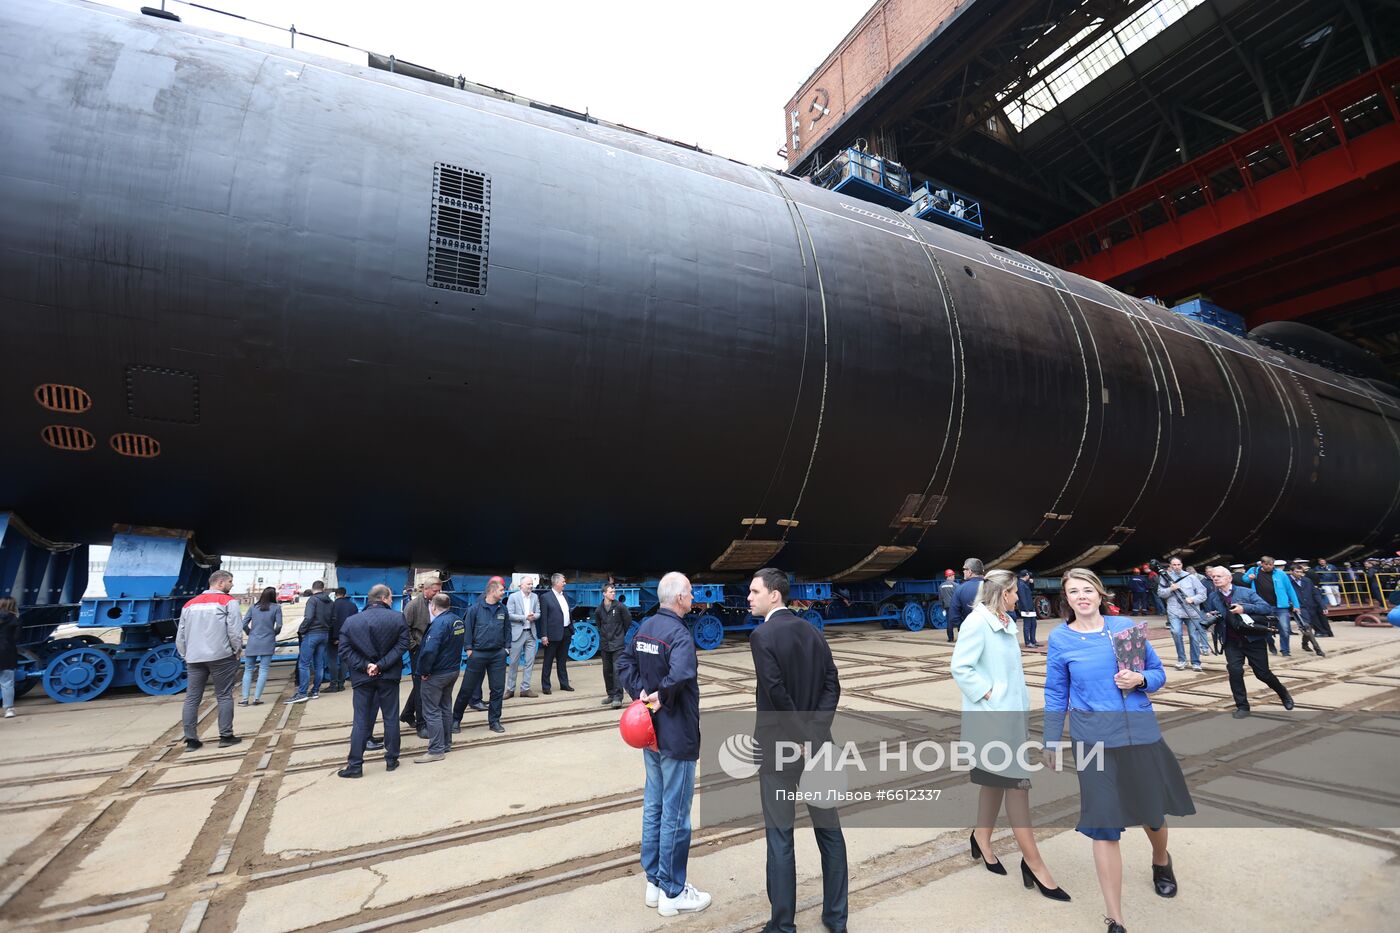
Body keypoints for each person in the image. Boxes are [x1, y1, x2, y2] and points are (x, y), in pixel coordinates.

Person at [1044, 568, 1194, 933]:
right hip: (1092, 740)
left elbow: (1158, 674)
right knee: (1103, 824)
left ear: (1099, 594)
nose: (1081, 596)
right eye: (1074, 592)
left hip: (1138, 735)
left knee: (1152, 814)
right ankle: (1116, 918)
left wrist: (1140, 679)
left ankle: (1160, 860)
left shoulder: (1125, 627)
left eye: (1087, 590)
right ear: (1067, 599)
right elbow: (1055, 692)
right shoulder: (1060, 640)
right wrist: (1050, 738)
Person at [951, 570, 1067, 901]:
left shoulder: (1003, 621)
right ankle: (1034, 864)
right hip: (992, 720)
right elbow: (961, 667)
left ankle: (981, 839)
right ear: (1003, 594)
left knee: (994, 783)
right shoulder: (978, 623)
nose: (1019, 597)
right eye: (1015, 592)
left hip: (1008, 718)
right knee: (1017, 786)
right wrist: (990, 694)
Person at [747, 568, 848, 933]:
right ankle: (836, 920)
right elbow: (832, 686)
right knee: (830, 833)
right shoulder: (813, 632)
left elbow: (775, 694)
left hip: (780, 751)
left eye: (755, 591)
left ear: (775, 595)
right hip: (819, 748)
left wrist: (801, 738)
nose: (749, 597)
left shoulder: (761, 636)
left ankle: (783, 925)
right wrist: (815, 734)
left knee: (780, 835)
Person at [616, 572, 710, 917]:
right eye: (690, 593)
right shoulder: (680, 635)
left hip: (649, 736)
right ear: (681, 597)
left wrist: (639, 691)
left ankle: (654, 883)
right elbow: (683, 674)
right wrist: (658, 698)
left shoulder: (644, 628)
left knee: (654, 806)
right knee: (676, 813)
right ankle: (673, 892)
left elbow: (624, 662)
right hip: (676, 735)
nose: (692, 597)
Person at [337, 584, 409, 777]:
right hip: (389, 677)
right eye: (391, 598)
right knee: (390, 717)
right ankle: (391, 759)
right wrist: (382, 665)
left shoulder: (352, 622)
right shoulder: (397, 618)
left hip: (362, 678)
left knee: (360, 720)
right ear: (385, 598)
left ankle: (355, 766)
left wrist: (366, 666)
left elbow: (344, 650)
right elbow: (403, 645)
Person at [1205, 566, 1294, 718]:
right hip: (1231, 641)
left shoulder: (1246, 592)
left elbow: (1265, 608)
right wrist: (1211, 617)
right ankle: (1242, 706)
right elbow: (1215, 614)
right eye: (1213, 576)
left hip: (1253, 639)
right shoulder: (1213, 597)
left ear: (1229, 578)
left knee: (1262, 674)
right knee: (1235, 672)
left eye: (1219, 576)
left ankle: (1283, 692)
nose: (1215, 579)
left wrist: (1244, 608)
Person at [176, 569, 245, 750]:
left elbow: (181, 634)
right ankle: (226, 736)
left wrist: (185, 654)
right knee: (223, 695)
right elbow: (235, 631)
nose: (232, 585)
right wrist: (236, 650)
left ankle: (191, 740)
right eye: (230, 581)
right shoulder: (228, 602)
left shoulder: (189, 604)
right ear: (220, 583)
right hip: (221, 656)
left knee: (192, 698)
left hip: (194, 657)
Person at [453, 578, 510, 734]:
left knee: (497, 689)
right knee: (467, 689)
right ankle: (455, 720)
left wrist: (506, 648)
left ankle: (494, 721)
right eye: (501, 590)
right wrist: (469, 649)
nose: (503, 592)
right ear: (492, 591)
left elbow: (507, 630)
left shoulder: (502, 609)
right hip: (478, 654)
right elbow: (468, 629)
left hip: (498, 655)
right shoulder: (475, 609)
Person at [415, 592, 465, 761]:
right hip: (452, 670)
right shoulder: (457, 620)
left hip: (437, 674)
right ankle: (446, 744)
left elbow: (429, 651)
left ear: (433, 606)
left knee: (431, 711)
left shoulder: (438, 624)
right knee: (445, 707)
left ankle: (436, 750)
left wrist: (424, 671)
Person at [400, 576, 443, 728]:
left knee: (422, 685)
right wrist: (413, 647)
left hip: (433, 650)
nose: (438, 594)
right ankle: (421, 723)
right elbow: (404, 629)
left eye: (439, 591)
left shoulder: (439, 602)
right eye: (435, 591)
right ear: (426, 589)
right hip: (419, 651)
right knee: (421, 687)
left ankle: (406, 714)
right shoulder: (413, 606)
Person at [1157, 557, 1210, 672]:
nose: (1176, 567)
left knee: (1194, 636)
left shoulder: (1191, 577)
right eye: (1174, 565)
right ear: (1170, 566)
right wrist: (1170, 589)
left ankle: (1196, 662)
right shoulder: (1165, 577)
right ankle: (1182, 660)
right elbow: (1160, 593)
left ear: (1182, 565)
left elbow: (1203, 593)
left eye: (1178, 564)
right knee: (1176, 632)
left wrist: (1193, 599)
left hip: (1191, 611)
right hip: (1174, 611)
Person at [287, 580, 333, 703]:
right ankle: (315, 691)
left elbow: (308, 617)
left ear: (313, 589)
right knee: (319, 664)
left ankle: (302, 693)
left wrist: (302, 630)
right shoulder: (330, 602)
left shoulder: (312, 600)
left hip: (312, 634)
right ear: (323, 588)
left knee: (304, 664)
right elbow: (333, 618)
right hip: (325, 634)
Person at [1243, 556, 1298, 656]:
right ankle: (1270, 642)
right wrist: (1249, 578)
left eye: (1271, 565)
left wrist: (1296, 605)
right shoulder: (1254, 570)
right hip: (1263, 606)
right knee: (1264, 629)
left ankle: (1285, 650)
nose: (1269, 567)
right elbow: (1244, 579)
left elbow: (1290, 589)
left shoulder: (1281, 574)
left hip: (1281, 606)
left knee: (1285, 629)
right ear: (1262, 564)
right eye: (1266, 564)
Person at [239, 587, 282, 706]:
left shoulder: (253, 607)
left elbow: (243, 624)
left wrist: (249, 632)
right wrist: (274, 633)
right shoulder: (277, 608)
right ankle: (256, 698)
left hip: (253, 641)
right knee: (263, 670)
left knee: (248, 670)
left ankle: (244, 699)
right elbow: (279, 625)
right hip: (268, 641)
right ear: (274, 596)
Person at [595, 583, 634, 709]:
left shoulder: (620, 607)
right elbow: (599, 624)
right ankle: (610, 694)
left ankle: (618, 697)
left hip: (617, 643)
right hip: (605, 644)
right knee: (607, 670)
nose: (613, 593)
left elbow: (627, 621)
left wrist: (620, 634)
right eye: (611, 592)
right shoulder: (599, 609)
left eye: (614, 591)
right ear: (604, 593)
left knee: (617, 670)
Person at [506, 576, 541, 698]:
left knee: (529, 662)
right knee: (513, 662)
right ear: (521, 585)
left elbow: (538, 613)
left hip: (531, 633)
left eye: (532, 584)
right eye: (528, 584)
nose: (531, 586)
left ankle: (525, 689)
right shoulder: (513, 597)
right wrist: (525, 617)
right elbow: (509, 614)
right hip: (517, 634)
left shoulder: (535, 597)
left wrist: (533, 616)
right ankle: (510, 689)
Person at [539, 572, 574, 693]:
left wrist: (571, 628)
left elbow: (568, 613)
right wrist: (544, 635)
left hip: (566, 632)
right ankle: (546, 686)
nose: (565, 583)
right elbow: (543, 618)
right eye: (563, 581)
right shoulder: (545, 597)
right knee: (548, 661)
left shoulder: (565, 596)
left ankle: (564, 684)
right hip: (552, 634)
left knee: (562, 661)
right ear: (556, 583)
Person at [1287, 564, 1329, 653]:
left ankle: (1304, 644)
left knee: (1309, 626)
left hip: (1310, 606)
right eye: (1296, 572)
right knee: (1306, 626)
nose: (1299, 574)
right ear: (1291, 572)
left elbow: (1315, 593)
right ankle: (1317, 648)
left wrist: (1322, 605)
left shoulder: (1307, 580)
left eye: (1301, 572)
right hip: (1298, 607)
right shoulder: (1287, 581)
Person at [947, 558, 985, 643]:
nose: (963, 571)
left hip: (969, 634)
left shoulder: (960, 589)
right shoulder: (993, 586)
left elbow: (953, 616)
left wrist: (963, 627)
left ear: (970, 571)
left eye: (964, 569)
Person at [327, 586, 357, 692]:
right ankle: (341, 684)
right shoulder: (353, 606)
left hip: (333, 638)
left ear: (336, 594)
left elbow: (331, 622)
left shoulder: (331, 606)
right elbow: (355, 623)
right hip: (347, 638)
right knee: (344, 660)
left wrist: (334, 637)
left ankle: (333, 684)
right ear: (345, 594)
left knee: (333, 660)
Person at [0, 597, 20, 718]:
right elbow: (17, 638)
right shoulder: (15, 619)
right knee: (7, 683)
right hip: (7, 653)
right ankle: (9, 709)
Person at [1016, 569, 1040, 649]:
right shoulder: (1020, 584)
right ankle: (1027, 642)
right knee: (1027, 625)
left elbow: (1031, 591)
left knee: (1033, 624)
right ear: (1026, 575)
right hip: (1026, 608)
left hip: (1030, 607)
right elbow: (1022, 597)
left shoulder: (1025, 583)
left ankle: (1033, 640)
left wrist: (1031, 584)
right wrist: (1026, 608)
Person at [939, 569, 957, 635]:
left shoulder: (941, 586)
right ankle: (961, 637)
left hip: (947, 607)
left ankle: (950, 638)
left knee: (949, 622)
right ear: (950, 576)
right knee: (959, 621)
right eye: (953, 576)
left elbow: (940, 598)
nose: (954, 577)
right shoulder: (956, 585)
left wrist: (942, 607)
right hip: (955, 606)